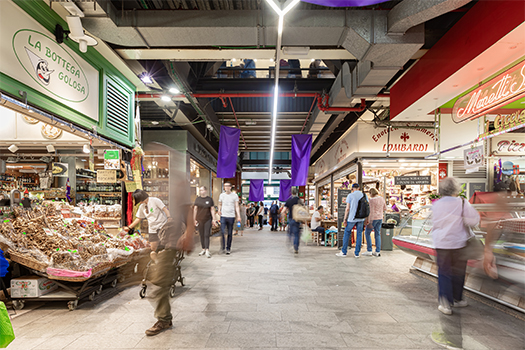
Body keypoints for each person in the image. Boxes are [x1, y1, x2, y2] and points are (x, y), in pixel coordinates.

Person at [432, 177, 480, 315]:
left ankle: (445, 302)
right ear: (456, 189)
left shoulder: (437, 204)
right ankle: (457, 298)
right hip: (459, 243)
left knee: (444, 271)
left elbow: (434, 223)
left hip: (441, 243)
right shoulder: (462, 202)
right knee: (458, 272)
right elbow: (473, 220)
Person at [337, 183, 366, 258]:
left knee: (347, 233)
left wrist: (345, 219)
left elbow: (347, 208)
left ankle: (344, 252)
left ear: (352, 188)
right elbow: (367, 207)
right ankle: (357, 253)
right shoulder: (364, 195)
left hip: (352, 218)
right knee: (359, 234)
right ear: (359, 188)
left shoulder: (350, 195)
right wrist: (367, 219)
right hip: (361, 218)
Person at [218, 182, 241, 255]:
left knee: (230, 233)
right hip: (223, 216)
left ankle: (228, 248)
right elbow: (220, 203)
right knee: (222, 231)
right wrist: (219, 209)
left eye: (228, 186)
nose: (226, 187)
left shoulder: (235, 196)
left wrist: (238, 216)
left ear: (231, 187)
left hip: (231, 216)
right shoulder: (222, 195)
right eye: (225, 186)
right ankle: (222, 247)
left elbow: (237, 206)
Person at [193, 186, 216, 258]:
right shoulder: (198, 199)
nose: (200, 192)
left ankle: (207, 250)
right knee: (201, 234)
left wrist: (214, 219)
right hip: (200, 219)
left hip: (208, 219)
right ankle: (203, 248)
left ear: (205, 191)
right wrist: (194, 219)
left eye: (202, 190)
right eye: (200, 190)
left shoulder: (209, 199)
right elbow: (195, 209)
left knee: (206, 234)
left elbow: (212, 209)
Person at [363, 188, 387, 257]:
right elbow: (385, 208)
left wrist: (368, 220)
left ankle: (369, 250)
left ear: (371, 193)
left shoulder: (372, 200)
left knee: (367, 233)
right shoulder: (382, 199)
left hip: (373, 219)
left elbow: (370, 211)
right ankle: (377, 251)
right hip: (380, 218)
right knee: (377, 234)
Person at [282, 188, 301, 254]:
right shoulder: (299, 200)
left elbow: (283, 211)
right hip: (297, 219)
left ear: (291, 192)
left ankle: (289, 241)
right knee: (296, 234)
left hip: (290, 219)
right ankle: (296, 247)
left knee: (290, 232)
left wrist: (283, 218)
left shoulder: (288, 200)